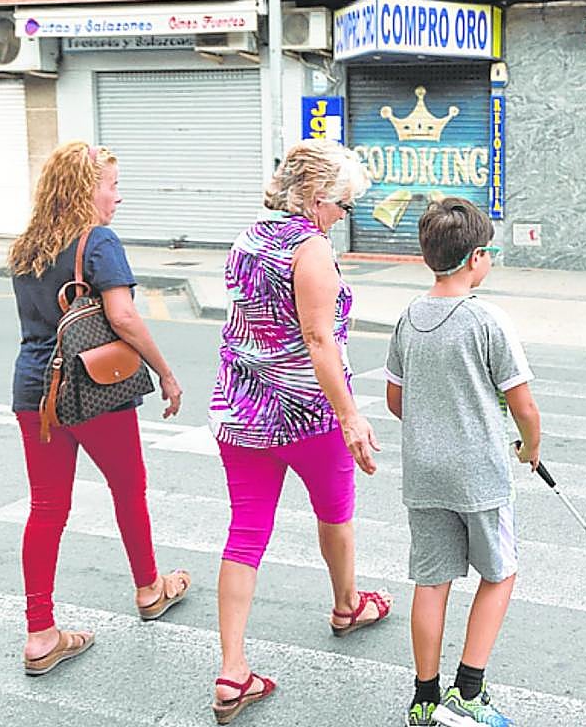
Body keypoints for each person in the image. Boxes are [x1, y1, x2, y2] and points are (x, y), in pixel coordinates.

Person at [208, 138, 392, 724]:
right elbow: (318, 341)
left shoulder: (248, 237)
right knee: (335, 512)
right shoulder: (310, 250)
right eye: (341, 203)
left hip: (241, 408)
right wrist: (351, 415)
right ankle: (346, 605)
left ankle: (232, 671)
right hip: (307, 415)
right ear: (314, 199)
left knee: (245, 533)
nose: (344, 215)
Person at [8, 141, 188, 676]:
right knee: (128, 491)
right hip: (91, 390)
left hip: (35, 392)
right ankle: (149, 589)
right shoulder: (99, 241)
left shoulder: (26, 246)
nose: (118, 195)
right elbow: (125, 318)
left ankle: (40, 633)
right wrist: (166, 372)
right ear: (88, 189)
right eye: (112, 184)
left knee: (46, 509)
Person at [385, 197, 542, 727]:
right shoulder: (488, 320)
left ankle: (424, 698)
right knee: (500, 574)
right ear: (476, 257)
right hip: (480, 474)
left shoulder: (408, 318)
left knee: (432, 581)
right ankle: (468, 693)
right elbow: (522, 405)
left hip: (424, 474)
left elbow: (395, 400)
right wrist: (531, 448)